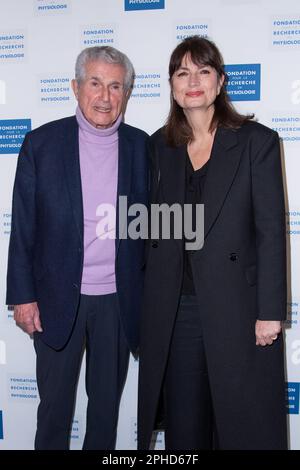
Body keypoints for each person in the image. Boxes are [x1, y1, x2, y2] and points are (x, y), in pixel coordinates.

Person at [138, 36, 287, 450]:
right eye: (182, 73)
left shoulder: (256, 141)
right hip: (178, 310)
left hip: (240, 308)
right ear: (171, 85)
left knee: (243, 425)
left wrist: (270, 312)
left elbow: (271, 231)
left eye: (203, 71)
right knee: (186, 431)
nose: (193, 82)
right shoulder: (158, 147)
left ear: (220, 82)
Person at [6, 45, 148, 450]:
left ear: (127, 92)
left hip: (117, 303)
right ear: (75, 87)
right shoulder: (41, 144)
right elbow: (24, 227)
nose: (105, 96)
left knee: (105, 411)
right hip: (55, 300)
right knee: (54, 411)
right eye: (95, 83)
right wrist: (22, 296)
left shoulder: (142, 147)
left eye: (115, 85)